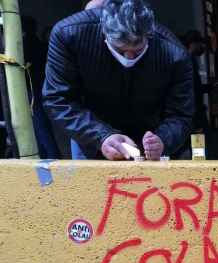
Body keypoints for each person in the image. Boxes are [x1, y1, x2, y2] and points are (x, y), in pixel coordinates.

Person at [43, 0, 194, 160]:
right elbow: (57, 99)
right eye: (120, 50)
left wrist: (163, 140)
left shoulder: (174, 55)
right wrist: (101, 136)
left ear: (148, 35)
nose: (128, 58)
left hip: (148, 139)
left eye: (137, 51)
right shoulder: (69, 35)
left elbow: (181, 114)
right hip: (89, 132)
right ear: (104, 33)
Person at [22, 16, 60, 159]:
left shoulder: (25, 44)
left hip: (32, 88)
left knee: (39, 124)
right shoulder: (39, 44)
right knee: (40, 124)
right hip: (40, 86)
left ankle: (50, 155)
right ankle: (49, 154)